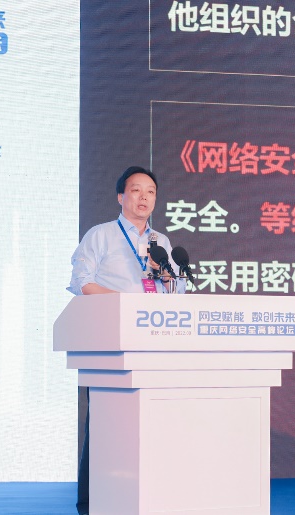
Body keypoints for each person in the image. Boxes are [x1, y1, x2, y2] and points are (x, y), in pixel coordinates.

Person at [67, 166, 184, 514]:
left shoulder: (161, 243)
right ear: (121, 197)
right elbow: (82, 282)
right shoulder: (101, 235)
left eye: (150, 191)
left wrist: (167, 278)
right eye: (136, 190)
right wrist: (127, 304)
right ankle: (92, 503)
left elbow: (175, 293)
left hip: (153, 342)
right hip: (112, 342)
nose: (144, 197)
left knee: (152, 423)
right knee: (107, 425)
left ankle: (148, 497)